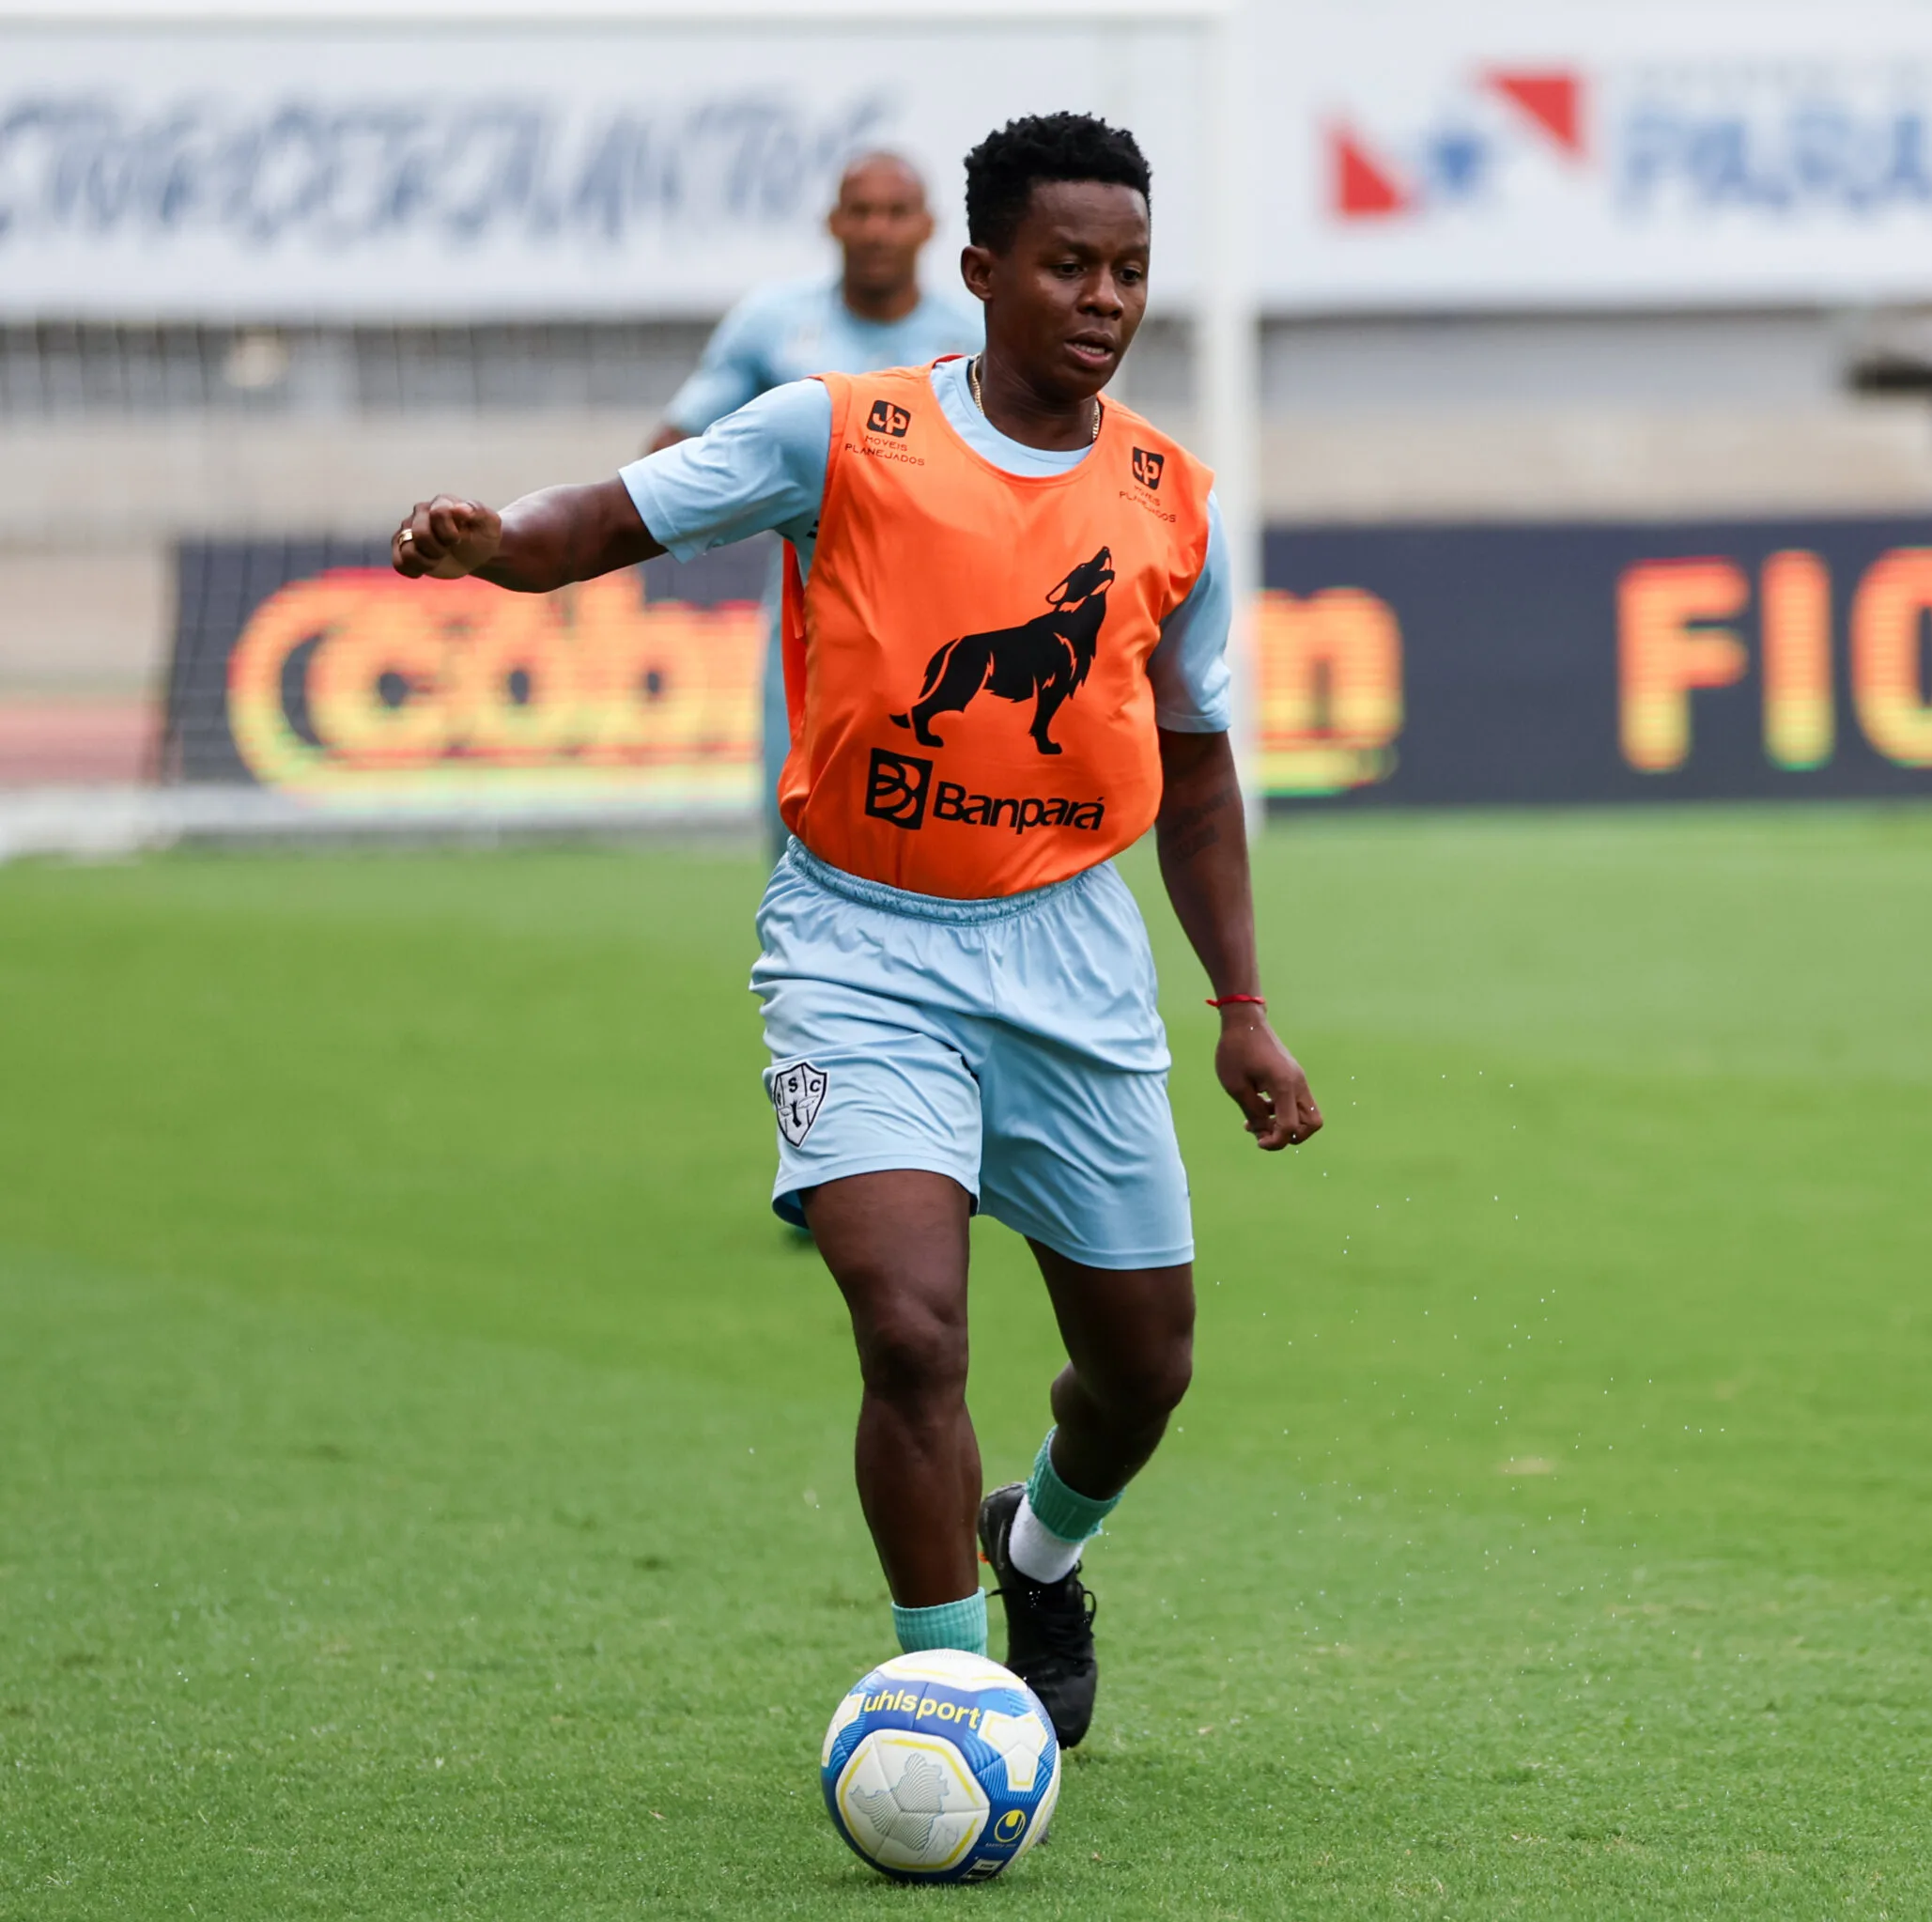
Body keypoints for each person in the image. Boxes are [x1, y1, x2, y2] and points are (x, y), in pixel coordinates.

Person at [390, 113, 1321, 1749]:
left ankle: (1039, 1551)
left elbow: (1195, 770)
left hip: (1069, 953)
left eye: (1130, 271)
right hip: (858, 943)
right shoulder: (841, 431)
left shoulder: (1174, 501)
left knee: (1145, 1371)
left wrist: (1239, 1002)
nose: (1104, 297)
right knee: (909, 1326)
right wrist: (498, 548)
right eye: (1068, 264)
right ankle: (951, 1688)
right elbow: (609, 514)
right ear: (981, 273)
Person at [649, 150, 981, 845]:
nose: (877, 230)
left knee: (949, 832)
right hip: (811, 609)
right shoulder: (772, 323)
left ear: (928, 227)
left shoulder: (975, 335)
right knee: (797, 821)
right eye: (860, 211)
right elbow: (675, 448)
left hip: (953, 620)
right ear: (832, 223)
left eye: (895, 213)